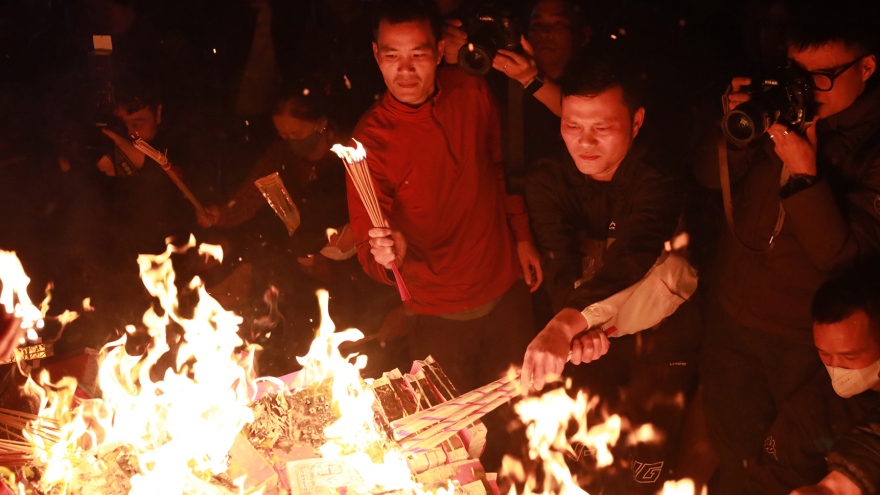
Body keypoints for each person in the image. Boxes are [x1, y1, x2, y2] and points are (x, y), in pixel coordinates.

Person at [693, 2, 880, 492]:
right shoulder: (774, 101)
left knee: (788, 464)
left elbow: (847, 258)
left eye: (822, 76)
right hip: (732, 314)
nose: (805, 88)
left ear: (867, 67)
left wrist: (805, 174)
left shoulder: (872, 146)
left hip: (802, 339)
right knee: (733, 449)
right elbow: (707, 180)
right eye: (796, 71)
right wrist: (735, 133)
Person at [349, 0, 542, 469]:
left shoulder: (471, 90)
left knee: (527, 427)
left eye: (417, 53)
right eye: (392, 55)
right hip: (437, 312)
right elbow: (368, 248)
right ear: (376, 55)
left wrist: (521, 235)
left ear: (439, 51)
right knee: (456, 447)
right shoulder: (370, 141)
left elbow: (499, 167)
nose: (405, 69)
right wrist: (390, 252)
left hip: (504, 289)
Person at [518, 48, 700, 492]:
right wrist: (577, 329)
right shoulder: (547, 178)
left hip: (662, 334)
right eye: (573, 126)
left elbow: (637, 255)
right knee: (582, 453)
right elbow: (560, 263)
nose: (586, 142)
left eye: (603, 128)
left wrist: (567, 325)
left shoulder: (658, 175)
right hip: (587, 334)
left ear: (635, 123)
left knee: (646, 460)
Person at [743, 264, 880, 494]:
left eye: (850, 356)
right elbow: (771, 478)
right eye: (824, 354)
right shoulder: (812, 409)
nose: (835, 366)